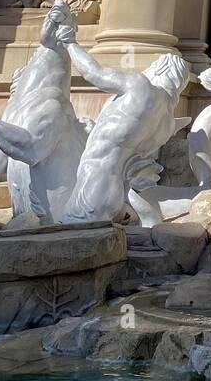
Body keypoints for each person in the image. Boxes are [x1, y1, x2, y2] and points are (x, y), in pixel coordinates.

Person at [56, 15, 190, 224]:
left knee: (72, 243)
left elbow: (94, 73)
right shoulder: (167, 123)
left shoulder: (140, 86)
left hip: (94, 182)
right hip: (120, 192)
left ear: (160, 68)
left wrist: (70, 43)